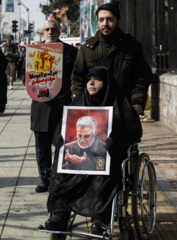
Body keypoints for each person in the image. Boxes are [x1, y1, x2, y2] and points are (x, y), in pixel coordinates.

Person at [43, 66, 142, 235]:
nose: (91, 83)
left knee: (103, 172)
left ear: (107, 83)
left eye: (96, 80)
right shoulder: (78, 103)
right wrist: (63, 143)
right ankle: (60, 214)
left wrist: (113, 141)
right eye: (89, 79)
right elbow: (61, 132)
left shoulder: (119, 105)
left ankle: (100, 218)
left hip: (105, 158)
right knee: (59, 167)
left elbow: (133, 132)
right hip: (75, 156)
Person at [71, 3, 152, 116]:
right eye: (101, 20)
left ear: (118, 22)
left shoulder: (132, 47)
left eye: (110, 19)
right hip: (95, 111)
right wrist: (78, 102)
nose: (105, 23)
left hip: (124, 110)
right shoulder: (87, 49)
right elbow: (77, 79)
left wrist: (137, 101)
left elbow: (140, 78)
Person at [31, 19, 78, 193]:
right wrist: (44, 93)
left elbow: (76, 78)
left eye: (53, 29)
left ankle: (59, 179)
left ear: (59, 31)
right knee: (41, 146)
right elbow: (27, 79)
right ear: (43, 32)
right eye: (47, 29)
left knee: (63, 145)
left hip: (62, 106)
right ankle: (45, 178)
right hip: (41, 107)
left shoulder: (71, 52)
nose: (50, 32)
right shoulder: (34, 52)